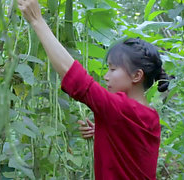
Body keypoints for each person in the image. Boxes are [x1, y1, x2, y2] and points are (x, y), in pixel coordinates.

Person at [17, 0, 172, 179]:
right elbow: (132, 148)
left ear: (137, 76)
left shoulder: (121, 109)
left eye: (113, 69)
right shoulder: (148, 115)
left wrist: (38, 21)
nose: (106, 76)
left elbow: (75, 77)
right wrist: (106, 130)